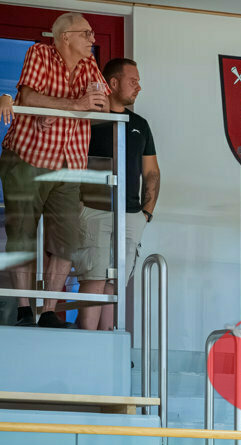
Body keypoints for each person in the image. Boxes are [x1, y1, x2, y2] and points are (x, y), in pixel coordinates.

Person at [0, 12, 109, 328]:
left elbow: (103, 105)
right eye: (86, 33)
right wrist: (72, 106)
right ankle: (24, 309)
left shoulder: (89, 64)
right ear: (65, 37)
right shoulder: (40, 52)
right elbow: (29, 95)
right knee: (22, 235)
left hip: (69, 162)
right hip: (27, 157)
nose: (92, 39)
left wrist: (57, 109)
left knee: (67, 240)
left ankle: (48, 309)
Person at [74, 58, 159, 331]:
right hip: (93, 208)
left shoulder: (140, 125)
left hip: (131, 214)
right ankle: (86, 344)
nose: (138, 87)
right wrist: (77, 205)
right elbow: (70, 162)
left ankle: (106, 343)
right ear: (112, 82)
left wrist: (146, 213)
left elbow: (152, 172)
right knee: (94, 278)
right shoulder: (90, 119)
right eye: (133, 81)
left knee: (115, 282)